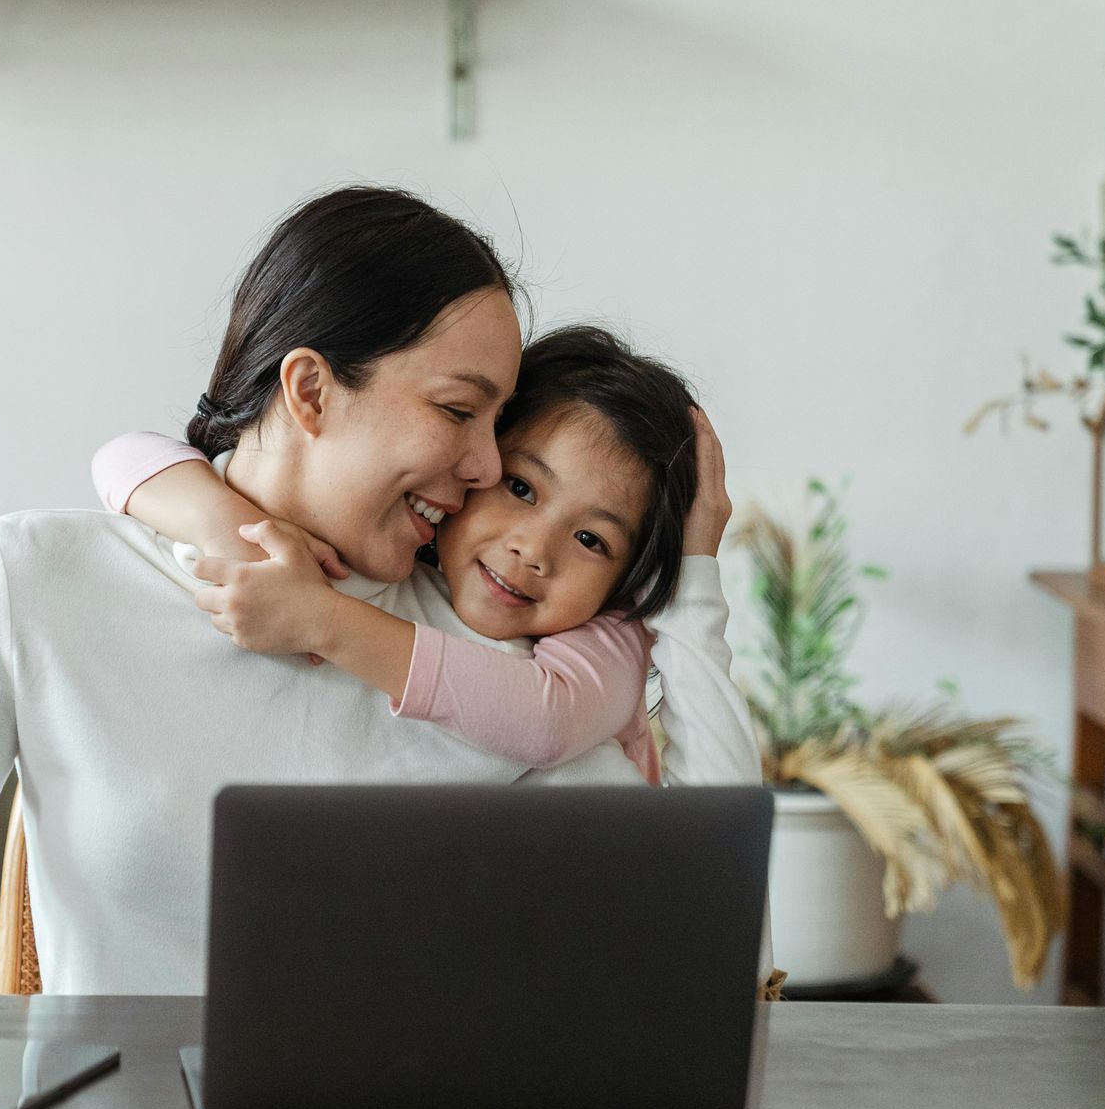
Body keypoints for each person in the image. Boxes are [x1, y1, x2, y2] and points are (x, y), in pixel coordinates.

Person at [0, 186, 759, 1058]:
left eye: (498, 423)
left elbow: (706, 923)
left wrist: (697, 574)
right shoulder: (44, 578)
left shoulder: (505, 653)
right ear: (309, 388)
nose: (486, 467)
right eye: (456, 410)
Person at [90, 325, 724, 784]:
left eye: (593, 540)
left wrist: (323, 621)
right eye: (521, 488)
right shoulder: (406, 556)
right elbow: (122, 454)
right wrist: (233, 528)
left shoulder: (609, 633)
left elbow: (549, 720)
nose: (534, 550)